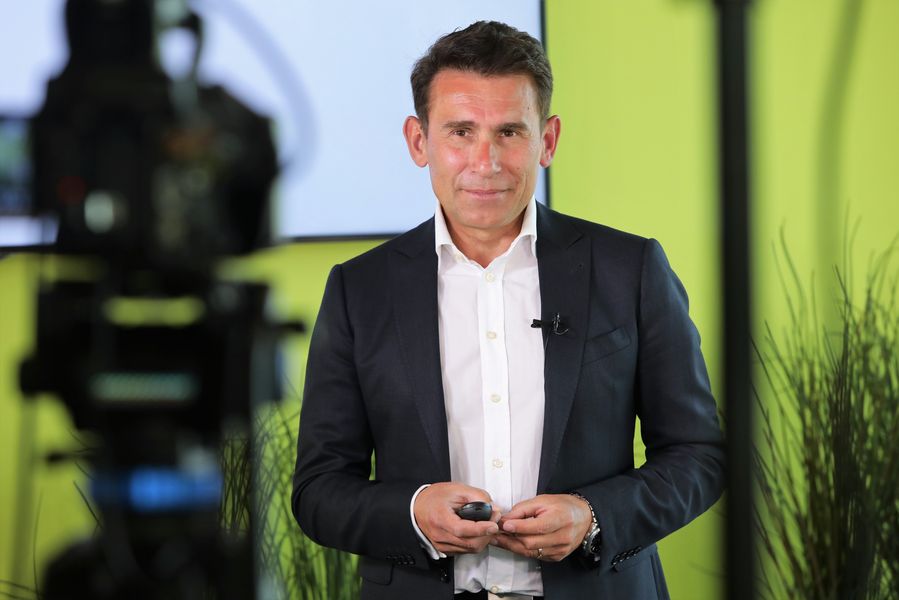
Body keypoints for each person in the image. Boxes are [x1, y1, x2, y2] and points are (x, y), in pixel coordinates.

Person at [292, 20, 725, 600]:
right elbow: (319, 489)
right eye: (461, 131)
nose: (486, 161)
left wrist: (594, 515)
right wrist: (413, 512)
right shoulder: (358, 289)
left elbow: (699, 456)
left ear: (548, 140)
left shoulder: (632, 268)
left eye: (509, 132)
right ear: (419, 141)